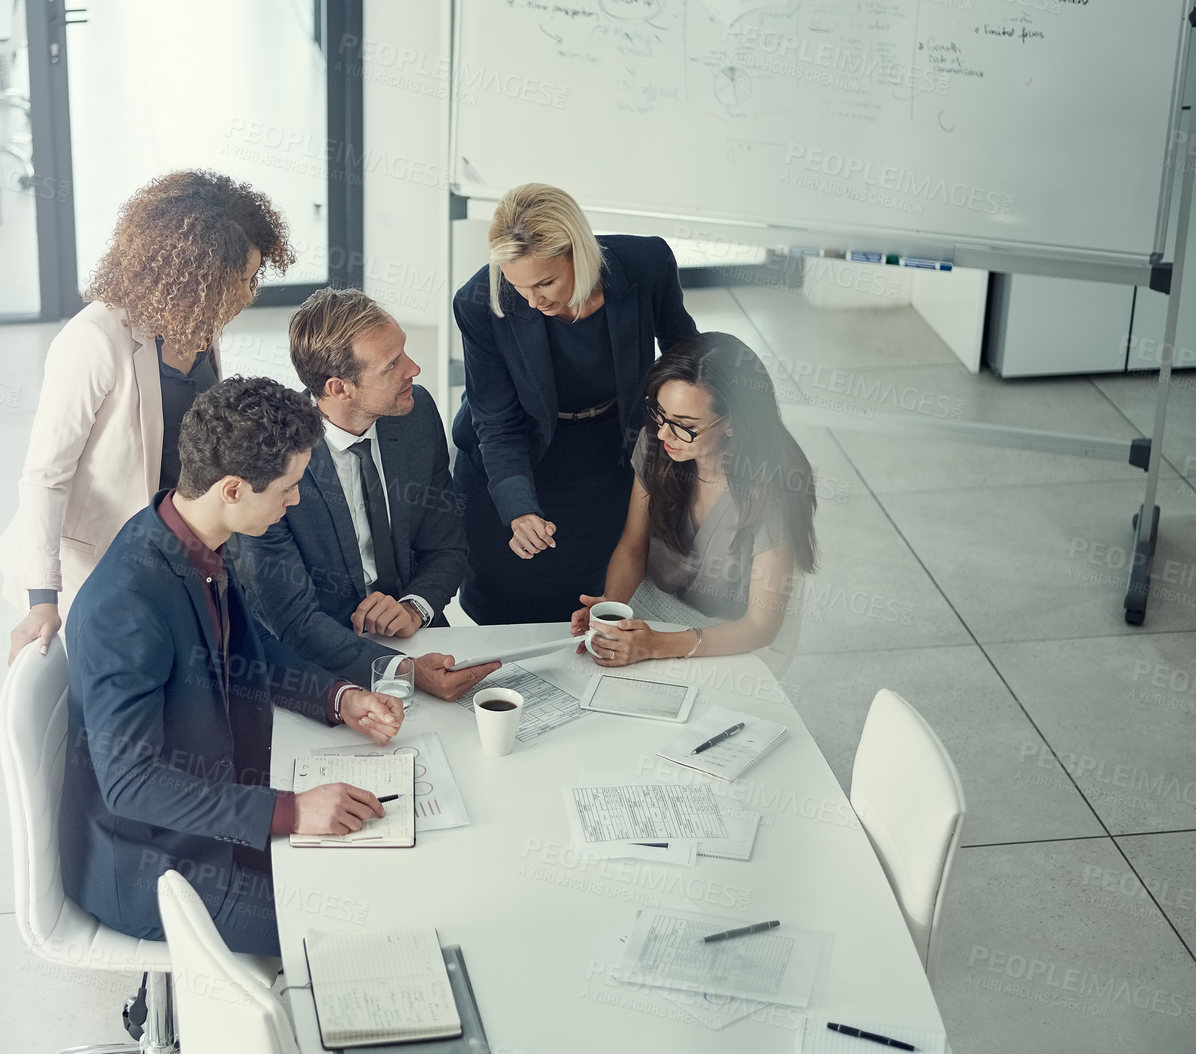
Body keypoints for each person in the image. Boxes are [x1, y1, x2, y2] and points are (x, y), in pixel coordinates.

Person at [59, 376, 406, 956]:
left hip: (211, 813)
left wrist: (339, 698)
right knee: (359, 925)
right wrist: (291, 810)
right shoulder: (127, 606)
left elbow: (247, 651)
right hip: (157, 867)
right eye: (289, 488)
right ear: (233, 489)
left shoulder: (190, 537)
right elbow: (131, 785)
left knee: (377, 873)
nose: (295, 500)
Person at [0, 170, 294, 662]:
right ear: (196, 275)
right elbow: (45, 477)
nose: (247, 295)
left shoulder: (199, 327)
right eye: (239, 279)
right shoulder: (93, 340)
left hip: (175, 547)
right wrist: (42, 601)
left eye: (253, 278)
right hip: (101, 564)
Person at [233, 288, 501, 701]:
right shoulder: (270, 461)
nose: (414, 368)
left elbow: (447, 546)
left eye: (404, 353)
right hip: (322, 666)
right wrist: (402, 671)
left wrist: (414, 607)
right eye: (392, 365)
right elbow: (292, 619)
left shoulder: (416, 413)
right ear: (340, 388)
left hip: (418, 637)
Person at [451, 182, 699, 624]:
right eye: (518, 286)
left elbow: (686, 356)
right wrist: (519, 508)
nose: (533, 300)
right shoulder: (478, 302)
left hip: (607, 448)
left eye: (546, 281)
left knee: (589, 598)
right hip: (513, 454)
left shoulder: (646, 266)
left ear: (579, 252)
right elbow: (497, 422)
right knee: (505, 603)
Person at [571, 332, 818, 666]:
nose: (662, 434)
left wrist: (654, 646)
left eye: (685, 426)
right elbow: (633, 543)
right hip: (656, 605)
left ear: (733, 424)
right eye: (659, 414)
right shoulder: (656, 443)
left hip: (729, 635)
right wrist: (612, 613)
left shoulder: (773, 493)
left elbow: (760, 627)